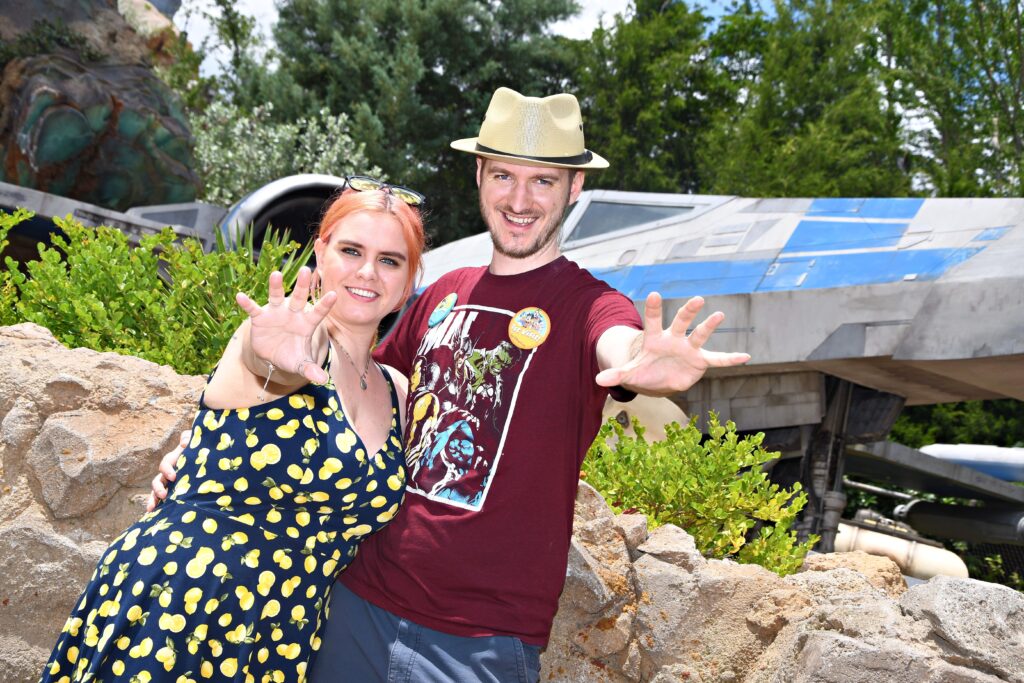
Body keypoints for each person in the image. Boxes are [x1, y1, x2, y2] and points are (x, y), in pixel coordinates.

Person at [152, 87, 750, 683]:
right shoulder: (439, 295)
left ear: (573, 189)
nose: (520, 199)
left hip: (483, 638)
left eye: (543, 181)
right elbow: (345, 394)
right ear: (480, 176)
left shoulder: (590, 303)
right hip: (356, 603)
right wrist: (206, 454)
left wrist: (643, 357)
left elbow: (616, 341)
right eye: (504, 176)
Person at [41, 183, 426, 683]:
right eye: (351, 250)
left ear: (410, 277)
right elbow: (270, 363)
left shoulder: (396, 389)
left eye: (390, 260)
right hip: (184, 603)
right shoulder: (282, 336)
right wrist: (270, 353)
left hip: (282, 633)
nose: (368, 272)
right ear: (321, 250)